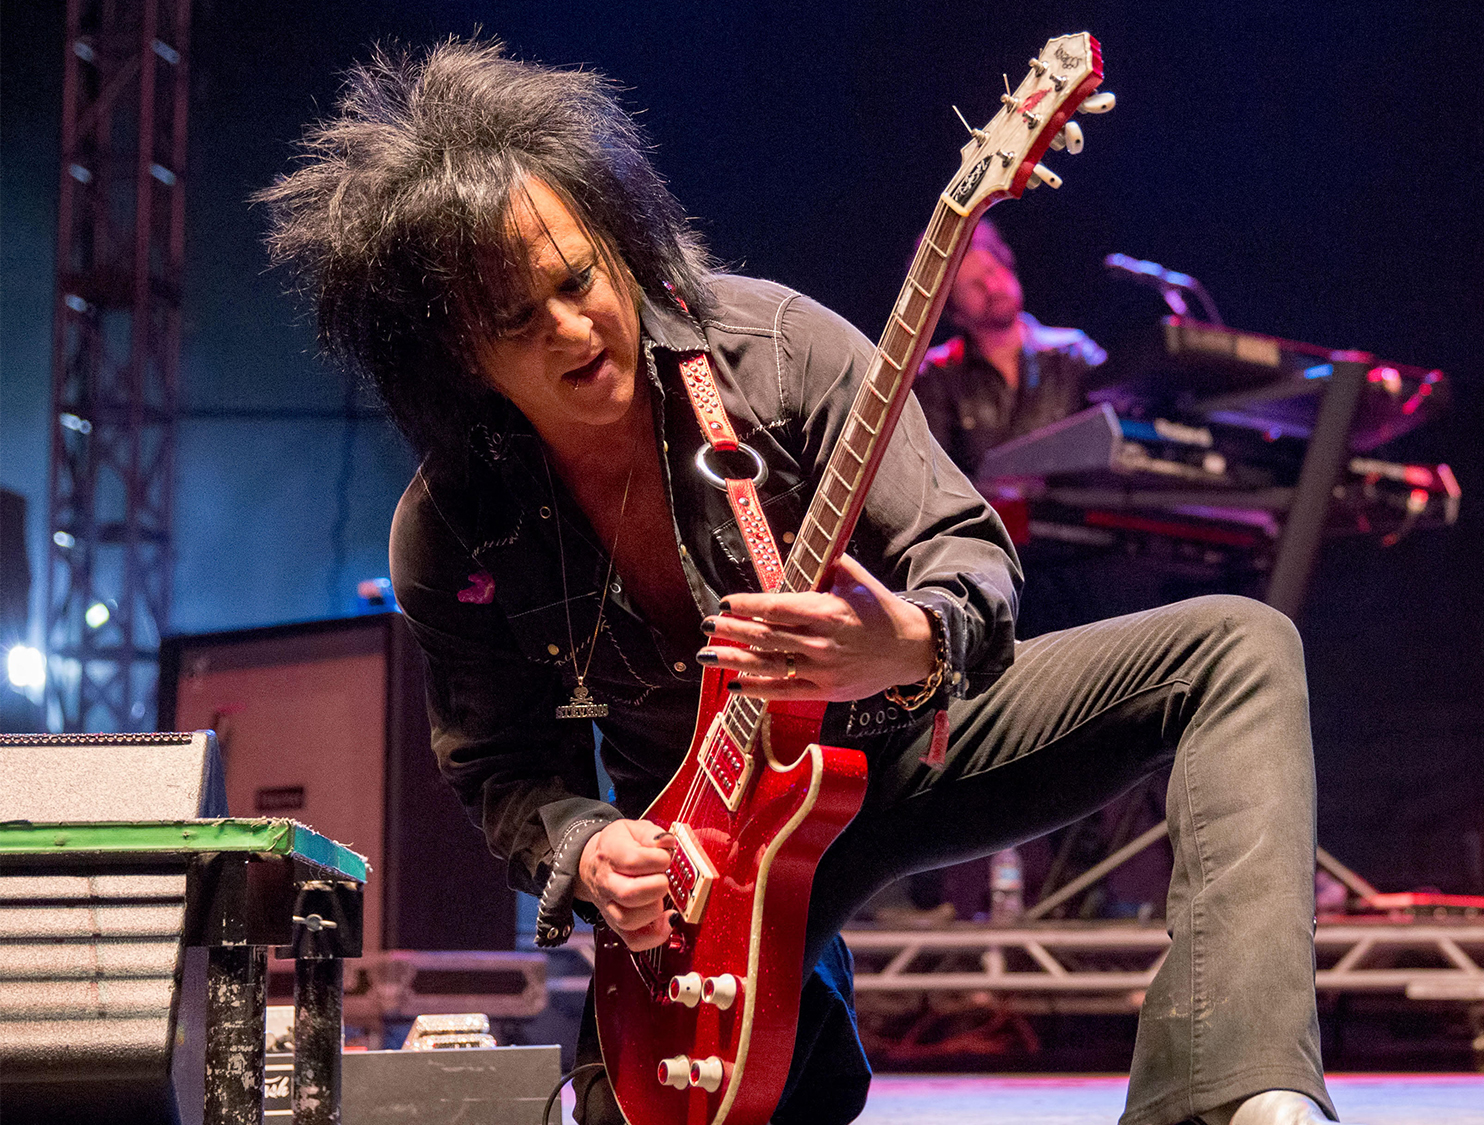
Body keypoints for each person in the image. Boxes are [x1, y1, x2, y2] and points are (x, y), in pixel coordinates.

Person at [258, 39, 1336, 1125]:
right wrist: (590, 849)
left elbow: (965, 548)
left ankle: (1228, 1095)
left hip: (918, 742)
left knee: (1236, 649)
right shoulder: (449, 531)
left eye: (578, 279)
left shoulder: (776, 351)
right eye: (515, 324)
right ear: (453, 357)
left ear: (619, 239)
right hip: (712, 858)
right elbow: (501, 770)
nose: (573, 329)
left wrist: (909, 639)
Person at [913, 220, 1105, 479]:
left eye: (993, 271)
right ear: (953, 311)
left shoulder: (1072, 352)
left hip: (1069, 515)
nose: (992, 287)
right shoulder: (935, 376)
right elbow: (934, 480)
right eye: (974, 285)